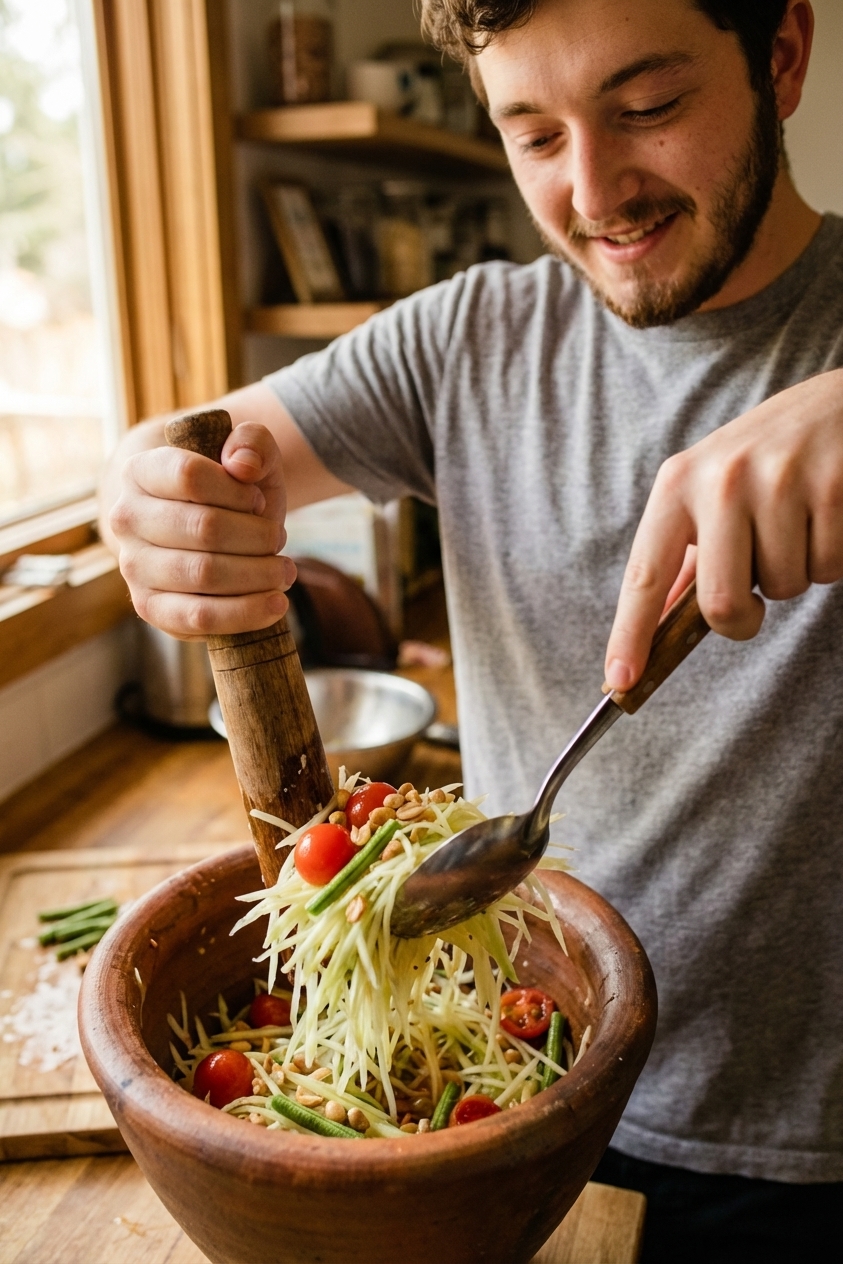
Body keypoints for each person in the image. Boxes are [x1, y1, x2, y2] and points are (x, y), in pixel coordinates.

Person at [101, 1, 843, 1258]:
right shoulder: (469, 337)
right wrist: (146, 493)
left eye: (648, 108)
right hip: (508, 1088)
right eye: (533, 132)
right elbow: (216, 445)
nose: (595, 189)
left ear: (781, 56)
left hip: (808, 1149)